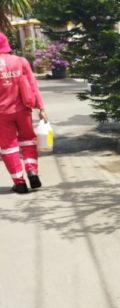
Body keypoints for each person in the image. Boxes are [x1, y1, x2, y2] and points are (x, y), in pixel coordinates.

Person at [0, 32, 47, 194]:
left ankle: (19, 182)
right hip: (23, 110)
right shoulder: (20, 61)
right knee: (28, 140)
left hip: (1, 115)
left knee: (8, 147)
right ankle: (32, 170)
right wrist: (41, 108)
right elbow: (33, 86)